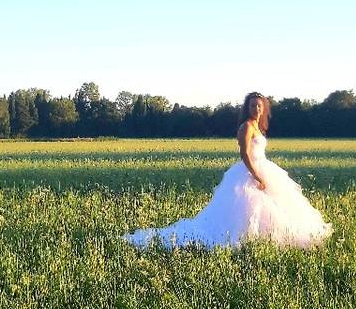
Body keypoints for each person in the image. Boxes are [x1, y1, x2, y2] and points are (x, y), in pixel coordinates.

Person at [124, 92, 331, 249]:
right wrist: (256, 176)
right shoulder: (247, 127)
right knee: (246, 209)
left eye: (259, 106)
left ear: (263, 108)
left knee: (274, 207)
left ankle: (267, 237)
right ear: (247, 108)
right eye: (253, 105)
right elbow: (245, 155)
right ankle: (244, 239)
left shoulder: (259, 127)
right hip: (250, 170)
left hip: (264, 167)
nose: (256, 109)